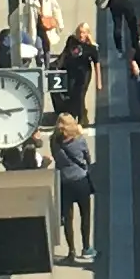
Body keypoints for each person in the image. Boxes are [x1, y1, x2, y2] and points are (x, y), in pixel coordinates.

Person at [52, 101, 97, 262]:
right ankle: (86, 247)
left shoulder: (54, 142)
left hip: (64, 182)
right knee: (85, 215)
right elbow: (88, 158)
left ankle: (71, 251)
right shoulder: (80, 140)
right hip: (81, 180)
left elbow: (56, 157)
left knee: (68, 217)